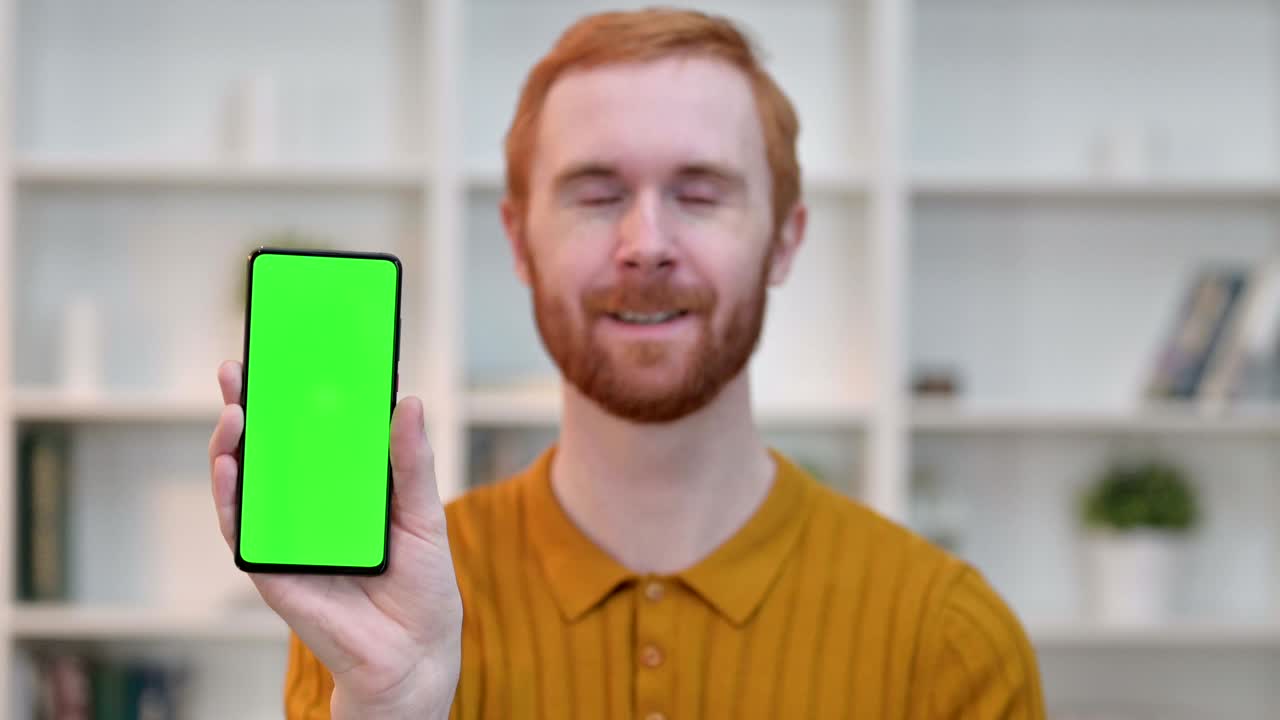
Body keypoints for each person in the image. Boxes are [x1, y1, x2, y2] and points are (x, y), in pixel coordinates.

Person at [208, 8, 1045, 719]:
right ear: (519, 242)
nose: (646, 245)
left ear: (785, 240)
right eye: (598, 195)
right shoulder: (379, 613)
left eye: (701, 192)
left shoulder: (951, 640)